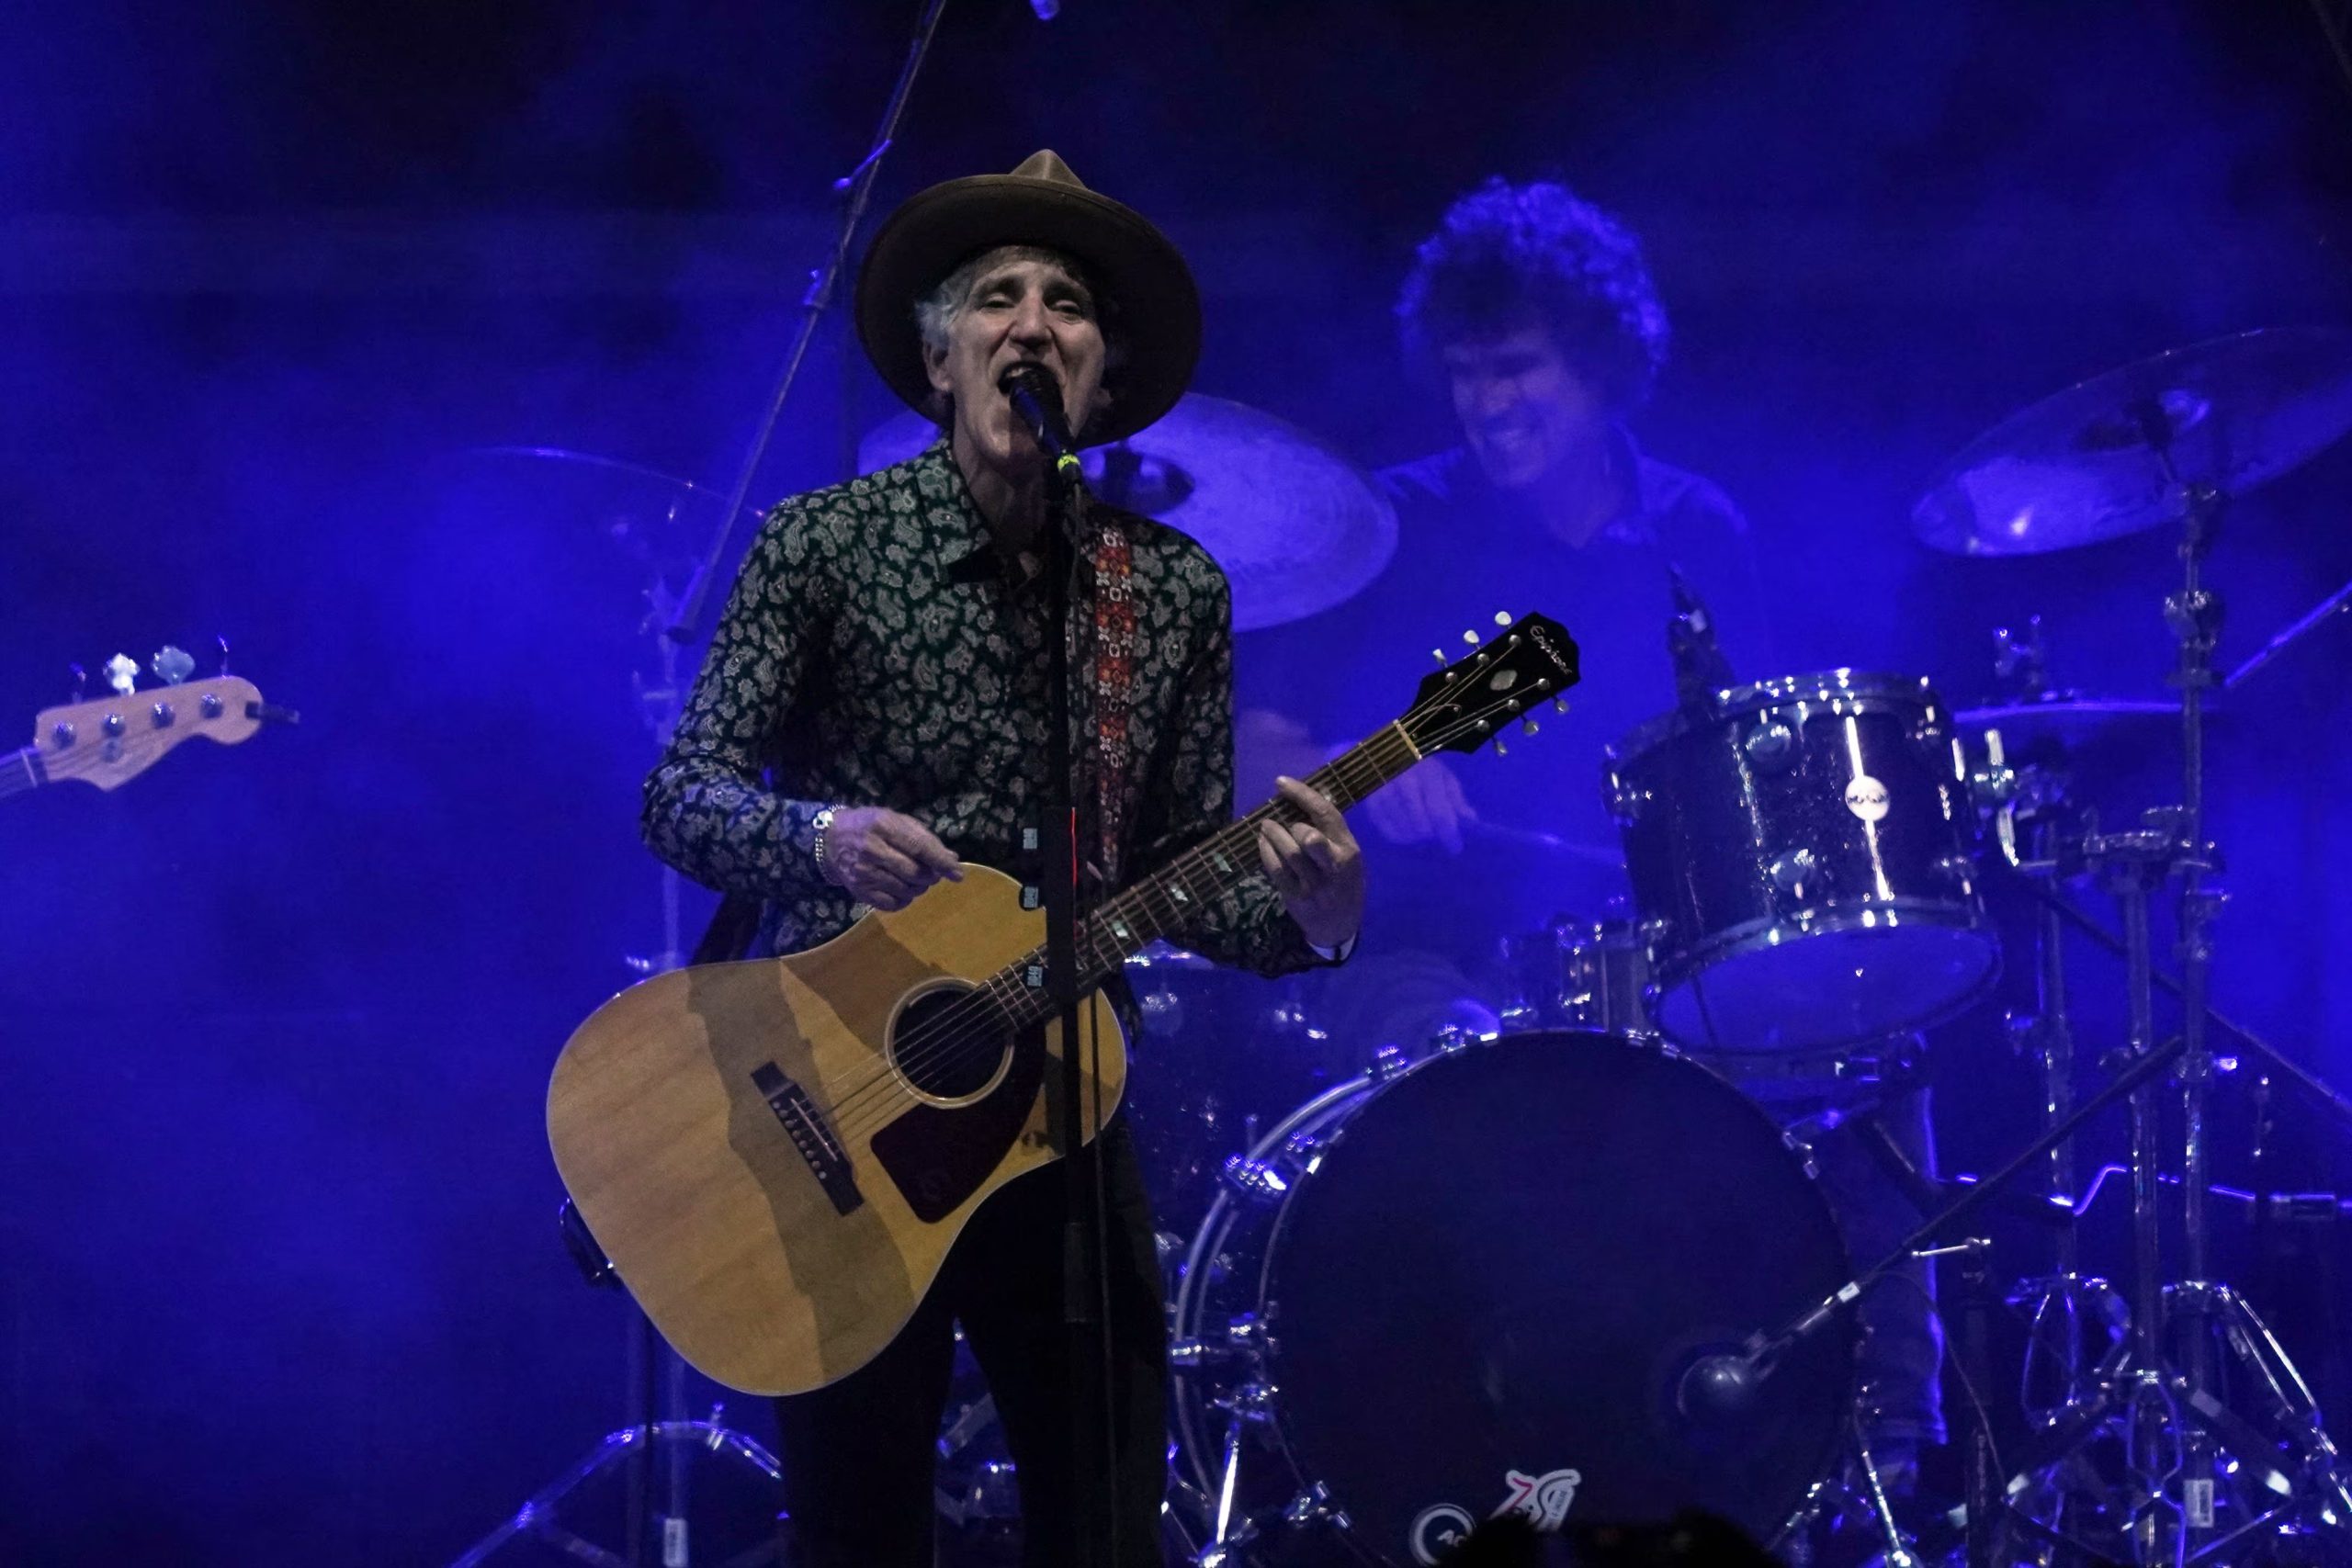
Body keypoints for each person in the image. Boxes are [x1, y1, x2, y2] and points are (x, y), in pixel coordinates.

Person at [640, 151, 1363, 1568]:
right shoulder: (825, 546)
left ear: (1102, 373)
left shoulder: (1163, 591)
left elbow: (1178, 864)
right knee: (859, 1533)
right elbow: (680, 796)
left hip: (1064, 1116)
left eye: (1070, 304)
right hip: (838, 1106)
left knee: (1104, 1527)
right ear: (936, 354)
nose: (1034, 322)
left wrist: (1317, 915)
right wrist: (821, 837)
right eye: (997, 297)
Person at [1236, 176, 1945, 1486]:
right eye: (1464, 373)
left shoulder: (1695, 534)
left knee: (1865, 1040)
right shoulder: (1388, 527)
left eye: (1517, 371)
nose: (1487, 403)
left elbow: (1753, 777)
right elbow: (1242, 742)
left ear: (1604, 367)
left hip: (1657, 962)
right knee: (1459, 1100)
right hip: (1421, 952)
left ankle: (1883, 1458)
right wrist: (1356, 768)